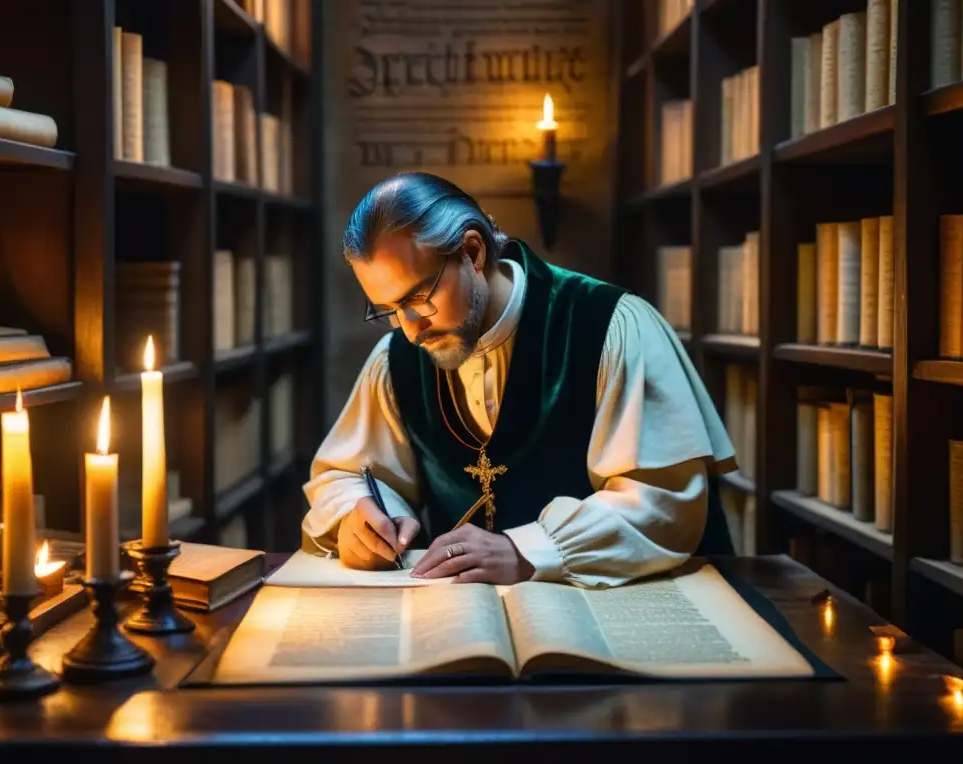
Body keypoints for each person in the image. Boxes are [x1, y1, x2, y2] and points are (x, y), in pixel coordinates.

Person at [302, 171, 736, 588]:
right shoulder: (395, 358)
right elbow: (347, 475)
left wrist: (527, 548)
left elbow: (663, 502)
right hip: (463, 625)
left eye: (418, 297)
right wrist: (359, 518)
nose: (411, 330)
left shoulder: (610, 325)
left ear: (473, 252)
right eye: (389, 310)